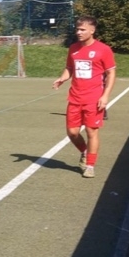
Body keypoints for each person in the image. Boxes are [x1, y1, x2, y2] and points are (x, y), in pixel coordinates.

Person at [52, 16, 116, 178]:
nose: (78, 32)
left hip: (93, 99)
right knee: (72, 133)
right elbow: (69, 68)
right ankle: (85, 151)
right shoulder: (73, 48)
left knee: (91, 132)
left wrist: (105, 95)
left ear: (92, 31)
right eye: (77, 29)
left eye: (82, 30)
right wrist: (62, 78)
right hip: (74, 98)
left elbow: (111, 73)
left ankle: (90, 165)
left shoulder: (103, 49)